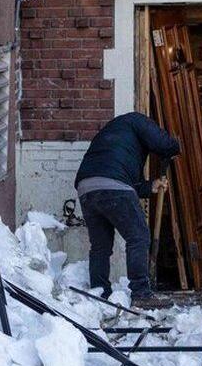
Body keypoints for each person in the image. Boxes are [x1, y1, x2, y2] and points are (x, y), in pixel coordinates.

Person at [73, 112, 181, 305]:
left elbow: (127, 181)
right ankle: (141, 293)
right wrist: (176, 147)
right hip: (113, 185)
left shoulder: (114, 136)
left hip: (86, 188)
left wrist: (151, 185)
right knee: (138, 236)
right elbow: (163, 143)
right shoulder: (138, 120)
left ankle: (99, 292)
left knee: (100, 246)